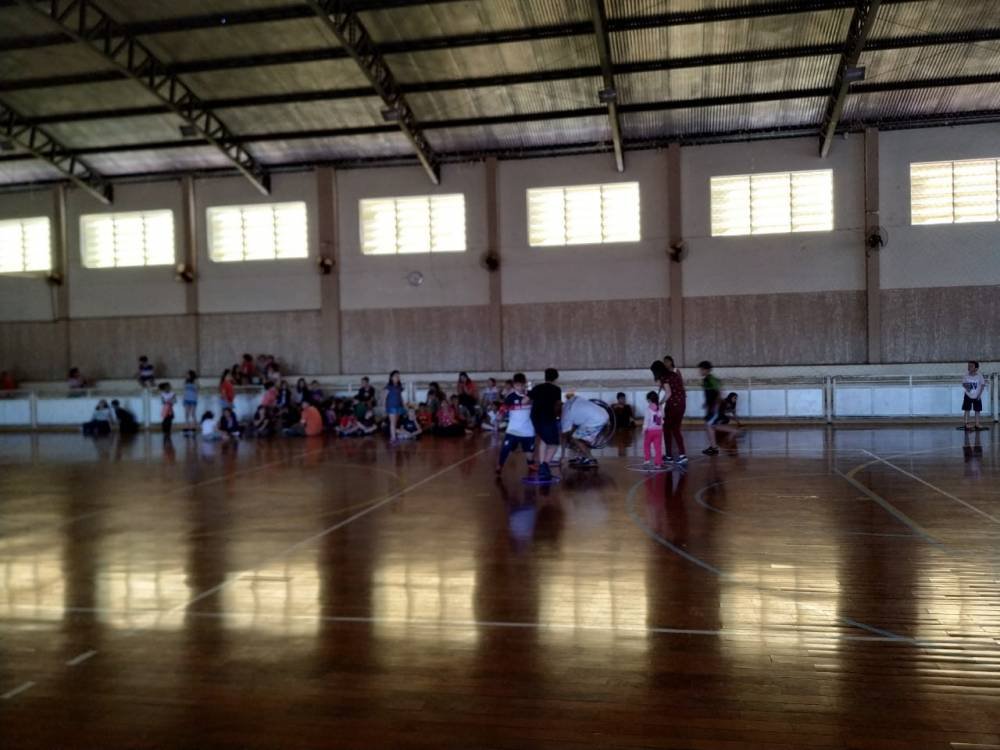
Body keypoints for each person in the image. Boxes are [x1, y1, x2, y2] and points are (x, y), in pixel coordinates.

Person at [496, 372, 536, 475]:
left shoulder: (531, 395)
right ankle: (500, 465)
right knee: (506, 448)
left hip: (528, 430)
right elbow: (503, 408)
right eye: (517, 385)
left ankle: (531, 464)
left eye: (522, 385)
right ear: (514, 385)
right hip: (513, 429)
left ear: (525, 384)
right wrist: (500, 415)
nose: (520, 387)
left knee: (529, 452)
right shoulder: (510, 397)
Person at [653, 356, 687, 466]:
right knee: (676, 429)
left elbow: (668, 393)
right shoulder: (673, 374)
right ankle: (682, 455)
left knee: (667, 429)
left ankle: (669, 456)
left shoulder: (665, 377)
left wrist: (660, 403)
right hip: (682, 404)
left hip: (673, 405)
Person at [529, 368, 562, 481]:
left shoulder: (537, 387)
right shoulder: (556, 389)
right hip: (548, 418)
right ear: (556, 378)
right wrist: (558, 416)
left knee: (543, 439)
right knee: (554, 444)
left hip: (535, 417)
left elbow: (527, 399)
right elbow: (557, 405)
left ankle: (542, 464)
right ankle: (545, 465)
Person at [562, 393, 610, 467]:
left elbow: (564, 435)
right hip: (603, 413)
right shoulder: (572, 401)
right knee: (580, 438)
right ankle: (582, 457)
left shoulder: (566, 414)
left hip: (596, 419)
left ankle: (591, 459)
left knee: (575, 438)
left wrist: (562, 456)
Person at [699, 361, 723, 455]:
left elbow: (719, 392)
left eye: (701, 369)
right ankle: (713, 446)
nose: (700, 371)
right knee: (709, 425)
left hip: (714, 407)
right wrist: (706, 403)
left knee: (709, 425)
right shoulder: (706, 380)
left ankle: (714, 448)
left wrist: (716, 405)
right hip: (710, 407)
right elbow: (710, 394)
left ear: (707, 370)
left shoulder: (711, 379)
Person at [962, 360, 986, 431]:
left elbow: (982, 385)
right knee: (967, 409)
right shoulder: (966, 375)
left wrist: (979, 395)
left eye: (971, 366)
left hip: (977, 395)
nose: (969, 367)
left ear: (976, 368)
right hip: (968, 395)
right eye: (968, 366)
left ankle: (977, 424)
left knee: (977, 410)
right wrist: (968, 389)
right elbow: (963, 383)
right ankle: (966, 424)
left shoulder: (979, 375)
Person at [642, 391, 664, 468]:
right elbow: (662, 419)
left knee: (646, 445)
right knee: (658, 448)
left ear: (649, 400)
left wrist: (644, 429)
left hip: (649, 431)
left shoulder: (648, 409)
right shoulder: (660, 407)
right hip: (659, 431)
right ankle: (658, 463)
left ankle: (647, 460)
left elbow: (646, 420)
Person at [385, 370, 405, 442]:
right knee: (392, 423)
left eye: (398, 376)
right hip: (391, 406)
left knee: (395, 423)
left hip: (399, 406)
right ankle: (393, 438)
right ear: (391, 377)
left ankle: (394, 436)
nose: (397, 377)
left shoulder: (399, 387)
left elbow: (400, 397)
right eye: (396, 376)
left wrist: (403, 405)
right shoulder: (389, 387)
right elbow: (384, 397)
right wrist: (383, 407)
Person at [182, 371, 198, 435]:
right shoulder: (185, 381)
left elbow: (196, 389)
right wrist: (183, 398)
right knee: (186, 413)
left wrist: (194, 386)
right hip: (186, 399)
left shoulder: (195, 381)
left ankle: (194, 427)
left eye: (188, 374)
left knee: (193, 413)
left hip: (193, 399)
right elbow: (184, 390)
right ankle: (187, 426)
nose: (186, 375)